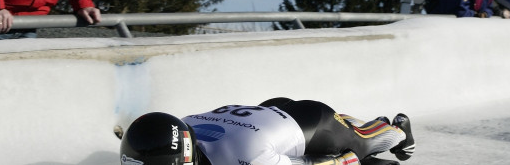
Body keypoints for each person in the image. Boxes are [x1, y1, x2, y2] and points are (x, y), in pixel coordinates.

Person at [119, 97, 415, 165]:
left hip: (311, 121)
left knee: (363, 144)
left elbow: (319, 164)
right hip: (265, 116)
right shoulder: (181, 124)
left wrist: (354, 160)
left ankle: (397, 127)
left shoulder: (244, 158)